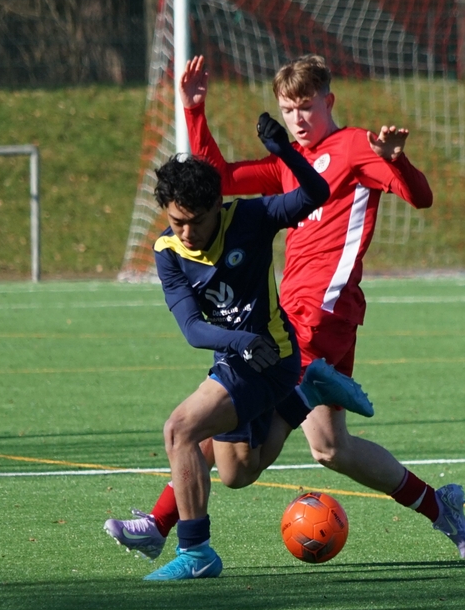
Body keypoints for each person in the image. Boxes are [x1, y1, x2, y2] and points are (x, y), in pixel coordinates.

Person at [106, 54, 465, 561]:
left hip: (322, 308)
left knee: (224, 413)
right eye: (287, 109)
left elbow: (421, 197)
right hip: (295, 309)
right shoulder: (287, 161)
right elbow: (217, 182)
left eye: (306, 107)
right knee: (330, 447)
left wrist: (397, 161)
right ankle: (439, 506)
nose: (297, 118)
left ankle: (160, 522)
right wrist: (194, 111)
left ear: (329, 101)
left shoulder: (356, 146)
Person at [120, 115, 375, 581]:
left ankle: (195, 551)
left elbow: (316, 194)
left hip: (274, 357)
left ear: (218, 206)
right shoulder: (168, 251)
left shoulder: (251, 218)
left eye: (197, 222)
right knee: (238, 474)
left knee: (179, 430)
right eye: (177, 222)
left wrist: (286, 152)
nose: (187, 232)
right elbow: (193, 329)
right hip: (237, 355)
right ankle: (306, 396)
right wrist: (241, 341)